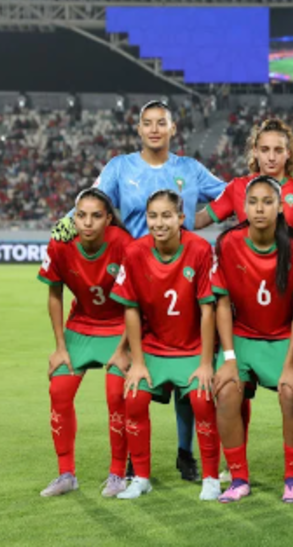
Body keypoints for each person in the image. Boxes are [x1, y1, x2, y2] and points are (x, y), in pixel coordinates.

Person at [51, 100, 227, 482]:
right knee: (135, 374)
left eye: (161, 123)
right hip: (134, 278)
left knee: (185, 366)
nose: (154, 129)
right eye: (147, 123)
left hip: (180, 276)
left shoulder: (190, 169)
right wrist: (63, 224)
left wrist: (204, 218)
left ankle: (185, 453)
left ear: (173, 128)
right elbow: (92, 199)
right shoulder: (120, 167)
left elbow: (231, 195)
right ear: (139, 129)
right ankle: (133, 460)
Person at [109, 189, 222, 500]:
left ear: (181, 218)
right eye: (153, 216)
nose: (159, 223)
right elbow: (131, 309)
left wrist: (205, 363)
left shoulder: (200, 249)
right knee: (134, 398)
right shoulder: (135, 252)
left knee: (202, 400)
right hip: (154, 349)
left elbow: (208, 309)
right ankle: (141, 478)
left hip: (192, 349)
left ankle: (211, 478)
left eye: (166, 216)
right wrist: (138, 362)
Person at [211, 176, 293, 504]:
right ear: (243, 207)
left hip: (286, 335)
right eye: (253, 202)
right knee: (225, 391)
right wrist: (229, 358)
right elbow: (222, 303)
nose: (259, 209)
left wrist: (290, 364)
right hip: (243, 334)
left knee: (292, 393)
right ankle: (238, 478)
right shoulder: (228, 243)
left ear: (280, 207)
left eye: (267, 202)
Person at [37, 189, 132, 498]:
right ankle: (66, 474)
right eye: (81, 215)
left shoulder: (122, 243)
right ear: (73, 218)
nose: (87, 222)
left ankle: (118, 474)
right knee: (59, 390)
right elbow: (54, 294)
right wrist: (60, 347)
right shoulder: (60, 244)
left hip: (120, 327)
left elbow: (136, 299)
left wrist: (125, 348)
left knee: (116, 393)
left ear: (108, 219)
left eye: (95, 216)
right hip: (80, 327)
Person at [195, 118, 293, 235]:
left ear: (288, 153)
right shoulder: (237, 187)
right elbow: (199, 220)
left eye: (278, 150)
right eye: (265, 150)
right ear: (255, 152)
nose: (271, 157)